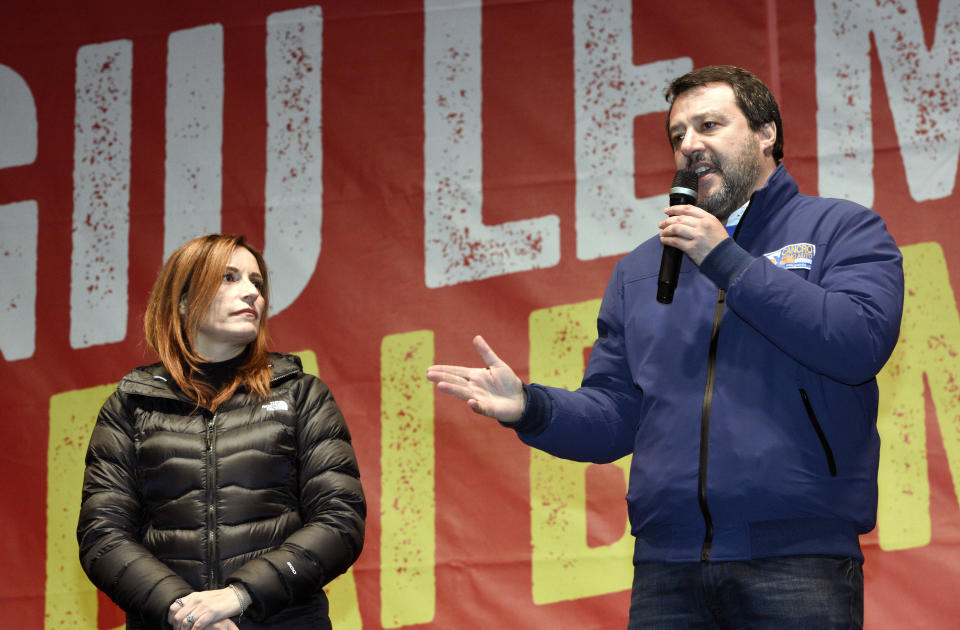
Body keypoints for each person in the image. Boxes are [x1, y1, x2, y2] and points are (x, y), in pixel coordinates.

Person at [427, 65, 904, 629]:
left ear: (766, 132)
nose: (689, 145)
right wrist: (532, 407)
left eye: (708, 124)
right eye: (678, 134)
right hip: (667, 570)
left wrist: (724, 258)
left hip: (797, 560)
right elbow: (615, 417)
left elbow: (857, 342)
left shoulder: (841, 230)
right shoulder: (641, 270)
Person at [77, 234, 365, 630]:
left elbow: (340, 521)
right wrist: (188, 613)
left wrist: (237, 597)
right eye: (229, 278)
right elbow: (102, 536)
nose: (251, 293)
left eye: (257, 283)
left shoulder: (301, 395)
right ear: (181, 301)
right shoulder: (131, 405)